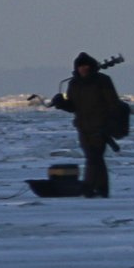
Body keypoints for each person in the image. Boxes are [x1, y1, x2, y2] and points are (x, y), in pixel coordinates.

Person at [48, 52, 121, 197]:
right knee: (95, 158)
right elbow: (73, 106)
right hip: (83, 127)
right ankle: (101, 189)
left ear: (92, 66)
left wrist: (109, 125)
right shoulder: (73, 84)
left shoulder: (102, 81)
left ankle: (89, 187)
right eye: (81, 66)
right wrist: (61, 103)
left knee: (93, 157)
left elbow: (113, 104)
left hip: (100, 127)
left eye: (86, 65)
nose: (84, 68)